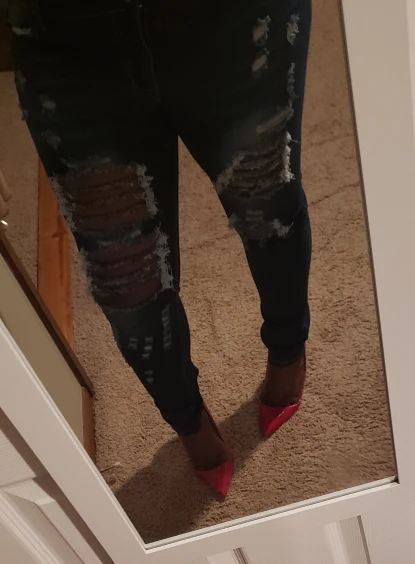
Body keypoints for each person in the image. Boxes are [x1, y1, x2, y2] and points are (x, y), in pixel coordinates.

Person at [7, 0, 312, 497]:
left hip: (232, 20)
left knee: (268, 208)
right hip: (64, 39)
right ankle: (187, 418)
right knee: (127, 286)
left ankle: (288, 351)